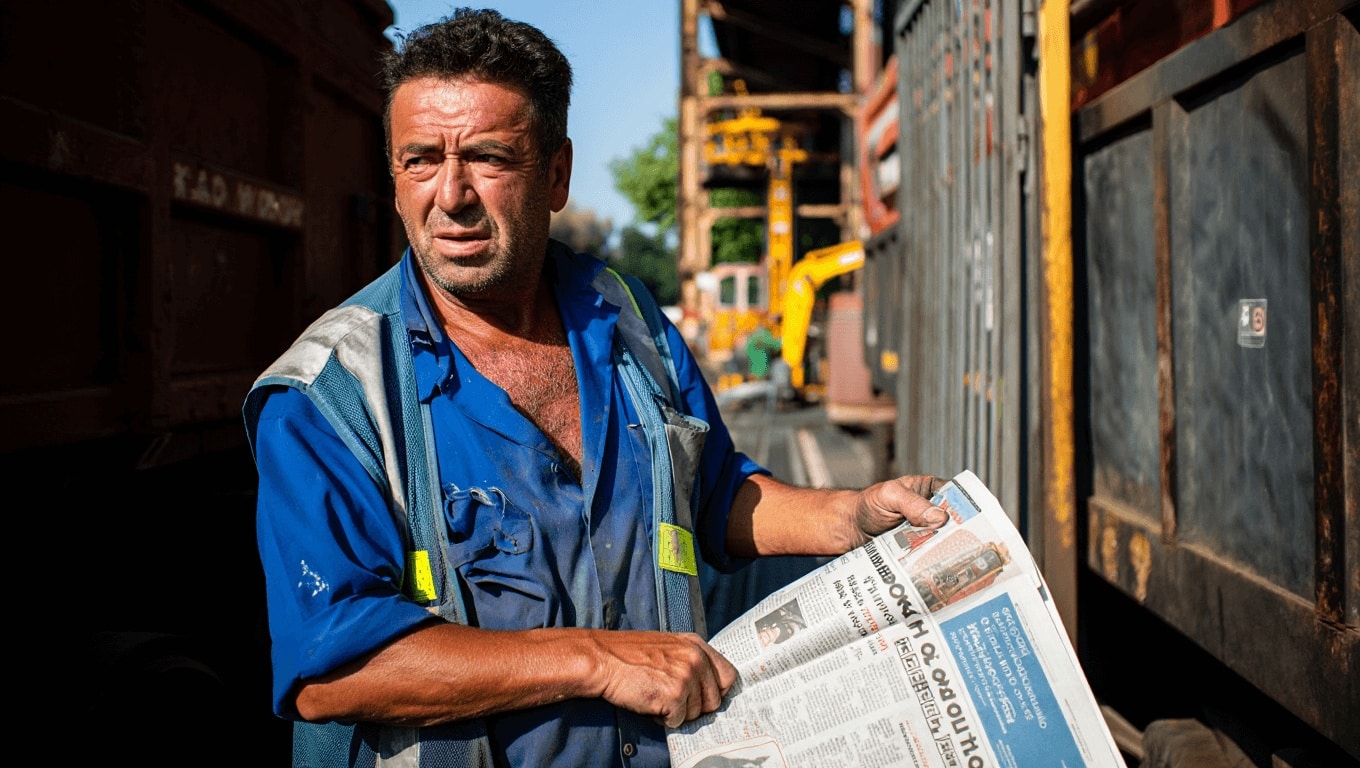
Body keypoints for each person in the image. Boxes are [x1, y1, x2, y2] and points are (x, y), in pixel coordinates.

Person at [244, 9, 947, 767]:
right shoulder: (331, 395)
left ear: (556, 174)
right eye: (419, 160)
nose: (450, 196)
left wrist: (848, 515)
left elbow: (711, 496)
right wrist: (595, 659)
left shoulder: (628, 319)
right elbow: (332, 671)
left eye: (487, 158)